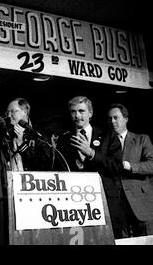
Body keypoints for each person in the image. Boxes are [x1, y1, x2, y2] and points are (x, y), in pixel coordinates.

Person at [55, 96, 124, 238]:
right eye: (73, 112)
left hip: (106, 203)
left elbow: (117, 167)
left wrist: (91, 153)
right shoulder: (64, 139)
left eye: (81, 111)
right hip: (78, 207)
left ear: (90, 113)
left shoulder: (107, 135)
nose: (77, 115)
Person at [108, 103, 153, 236]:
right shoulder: (105, 143)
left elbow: (152, 164)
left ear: (126, 119)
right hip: (117, 204)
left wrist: (129, 165)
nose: (112, 121)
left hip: (141, 202)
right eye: (109, 118)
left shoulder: (142, 139)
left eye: (116, 118)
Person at [3, 98, 52, 171]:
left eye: (13, 111)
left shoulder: (38, 134)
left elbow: (44, 164)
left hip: (33, 180)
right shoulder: (5, 135)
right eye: (7, 113)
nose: (9, 116)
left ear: (25, 111)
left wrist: (22, 145)